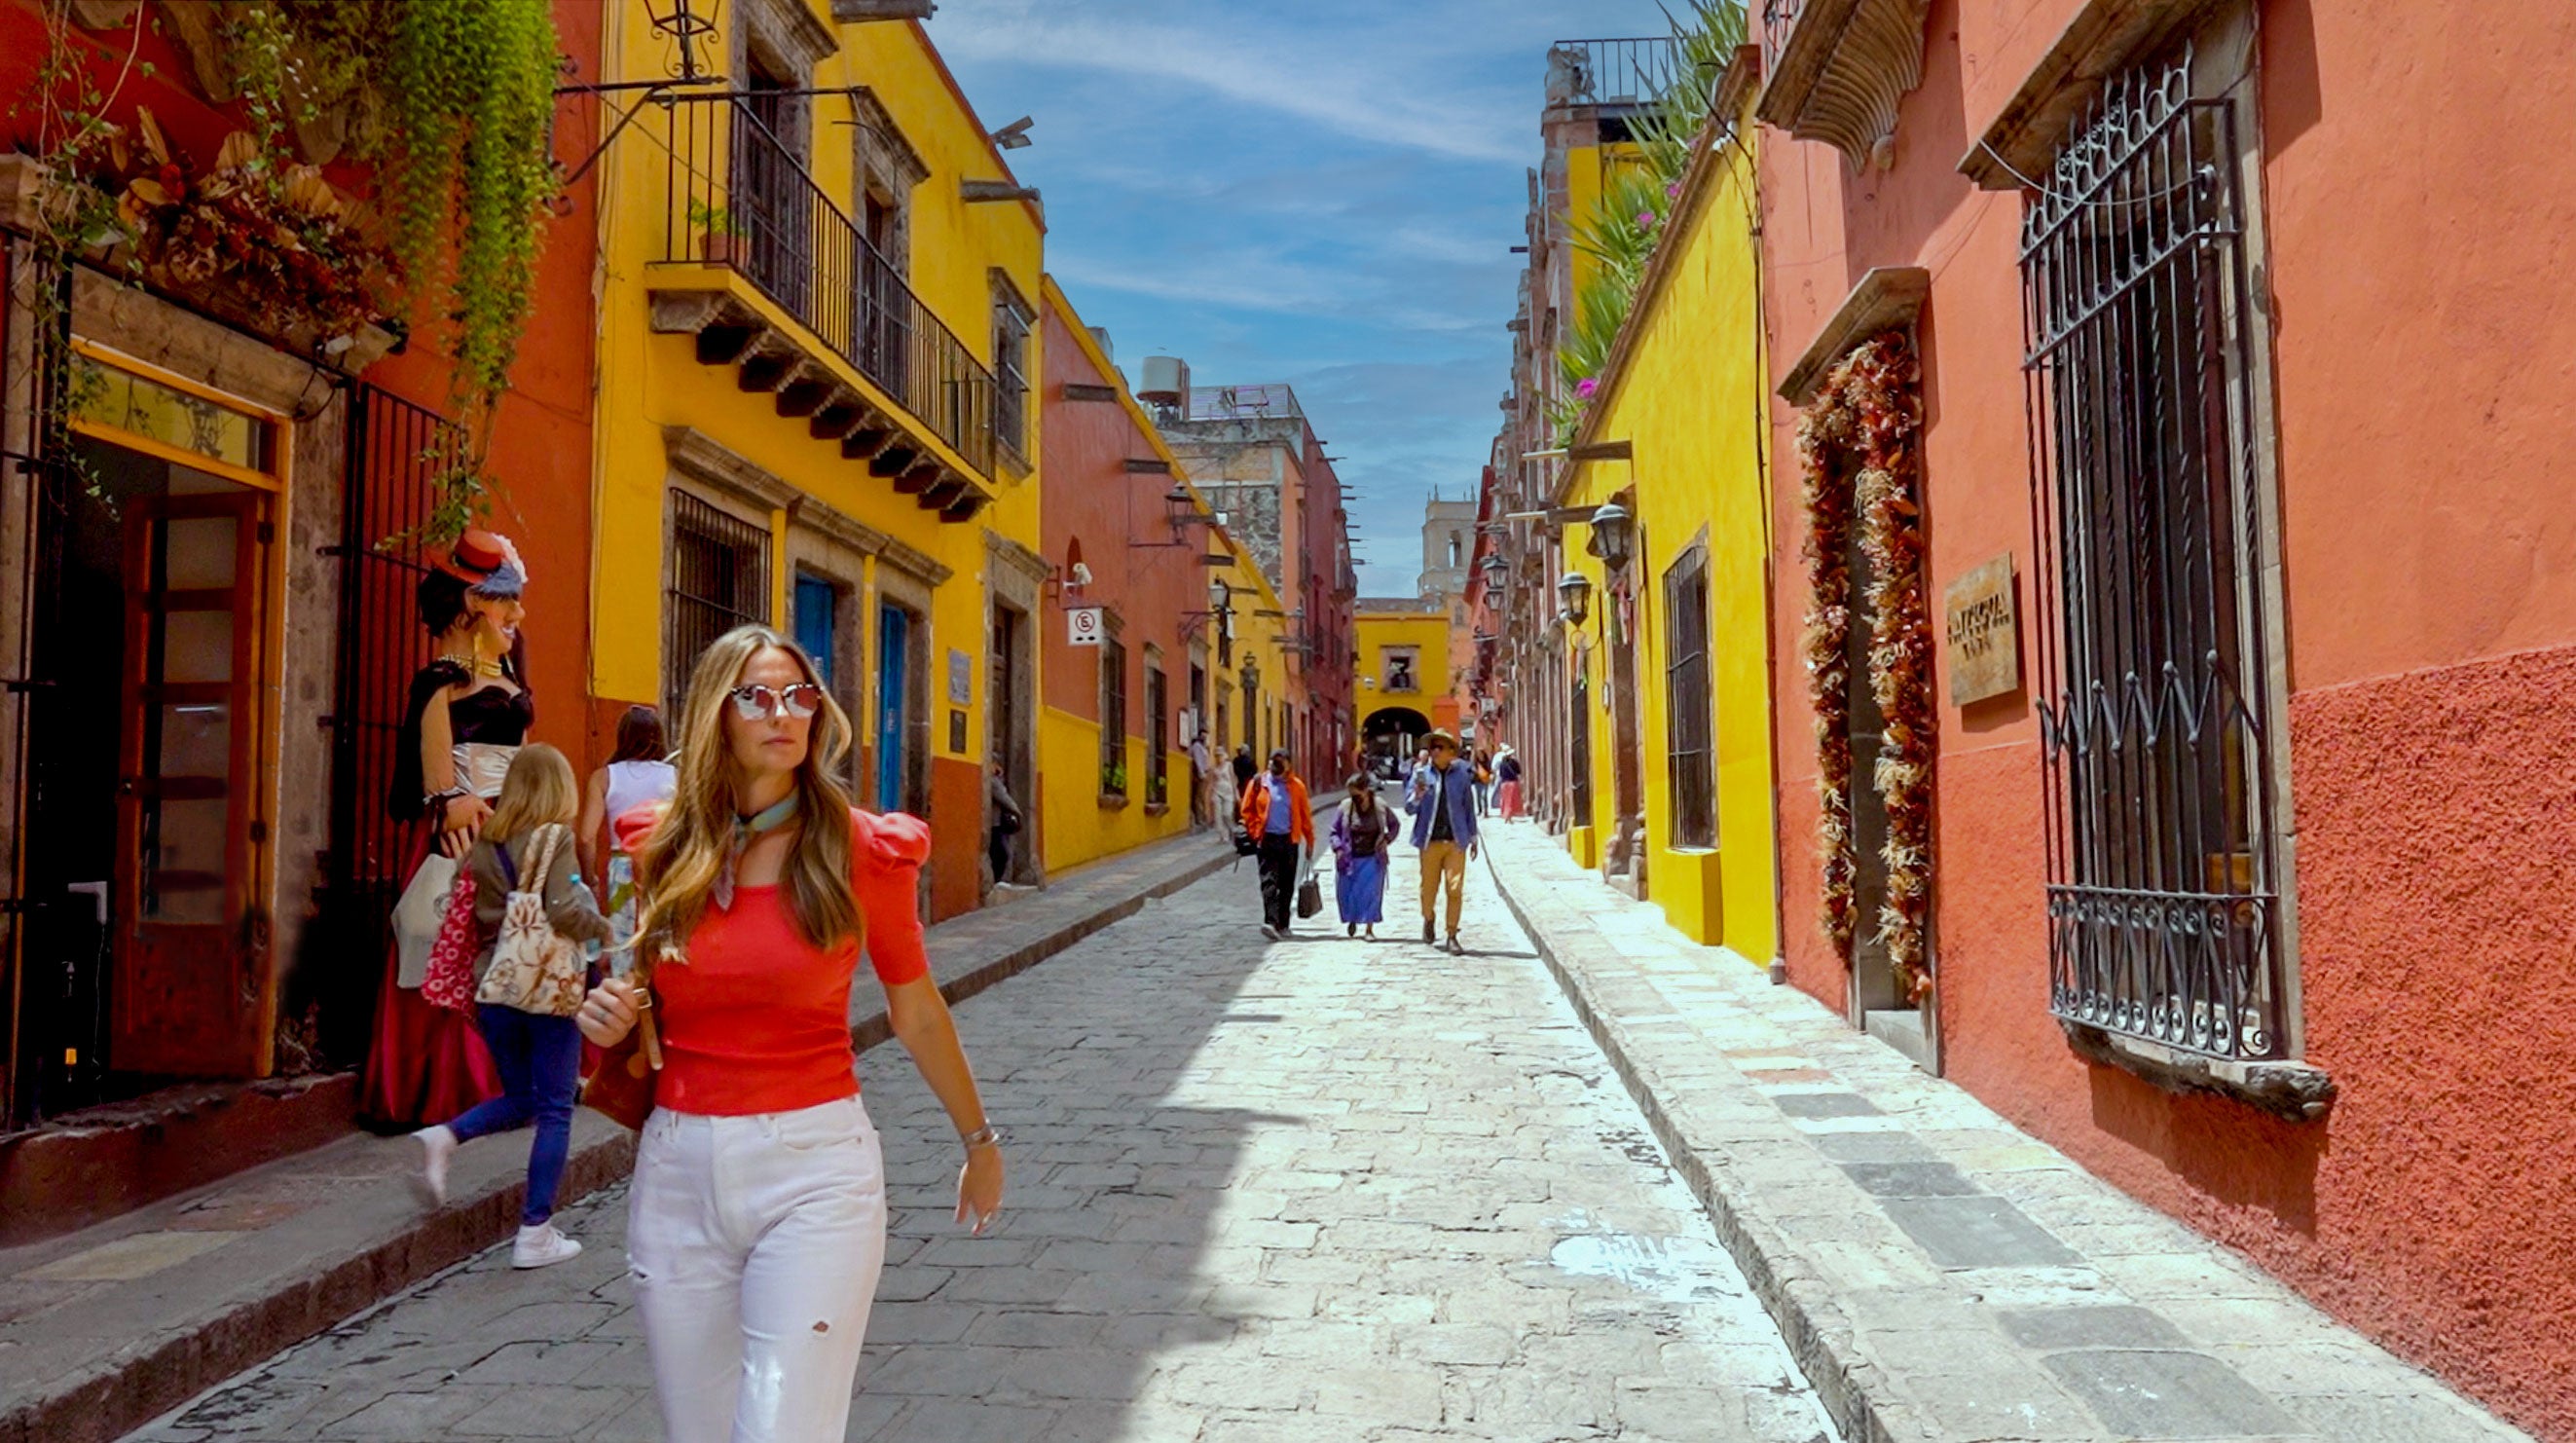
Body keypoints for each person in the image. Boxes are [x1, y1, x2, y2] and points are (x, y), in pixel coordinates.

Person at [574, 624, 1003, 1443]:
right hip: (676, 1173)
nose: (786, 713)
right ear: (716, 716)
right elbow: (635, 997)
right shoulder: (659, 847)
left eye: (800, 695)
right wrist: (606, 1020)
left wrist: (979, 1141)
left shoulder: (862, 852)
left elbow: (915, 1009)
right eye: (759, 696)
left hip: (815, 1171)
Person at [413, 743, 612, 1267]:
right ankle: (535, 1231)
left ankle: (445, 1135)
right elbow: (565, 910)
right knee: (554, 1108)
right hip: (549, 988)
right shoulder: (555, 839)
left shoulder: (485, 846)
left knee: (522, 1097)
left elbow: (470, 914)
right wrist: (605, 930)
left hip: (497, 988)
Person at [363, 530, 533, 1129]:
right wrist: (458, 803)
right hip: (460, 839)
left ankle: (512, 1079)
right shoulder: (439, 681)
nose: (515, 614)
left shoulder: (508, 674)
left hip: (512, 833)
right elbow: (437, 778)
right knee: (452, 953)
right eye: (503, 602)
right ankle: (450, 1088)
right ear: (471, 607)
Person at [580, 706, 676, 975]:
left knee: (622, 945)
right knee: (662, 939)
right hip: (661, 866)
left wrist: (590, 880)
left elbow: (587, 837)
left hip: (621, 868)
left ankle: (626, 1005)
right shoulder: (674, 777)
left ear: (622, 737)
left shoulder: (604, 777)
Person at [1405, 729, 1482, 953]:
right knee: (1428, 889)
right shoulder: (1421, 774)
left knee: (1455, 889)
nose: (1435, 752)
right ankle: (1428, 918)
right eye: (1432, 748)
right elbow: (1409, 809)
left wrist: (1473, 837)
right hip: (1429, 841)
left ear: (1451, 752)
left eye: (1440, 748)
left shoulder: (1461, 776)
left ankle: (1452, 934)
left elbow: (1468, 807)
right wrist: (1417, 795)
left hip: (1456, 841)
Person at [1237, 748, 1312, 940]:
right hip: (1267, 839)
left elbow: (1305, 816)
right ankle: (1270, 921)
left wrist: (1310, 841)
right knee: (1268, 882)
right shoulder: (1258, 783)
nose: (1275, 765)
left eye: (1280, 761)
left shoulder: (1297, 787)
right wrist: (1255, 831)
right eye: (1272, 760)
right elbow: (1247, 810)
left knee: (1287, 884)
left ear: (1288, 764)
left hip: (1289, 840)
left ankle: (1283, 924)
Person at [1329, 773, 1392, 940]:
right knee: (1349, 893)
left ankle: (1369, 928)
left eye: (1356, 794)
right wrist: (1338, 848)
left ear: (1365, 790)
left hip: (1372, 857)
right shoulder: (1345, 807)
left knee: (1371, 893)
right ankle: (1353, 919)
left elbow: (1394, 825)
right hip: (1349, 858)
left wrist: (1386, 839)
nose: (1353, 798)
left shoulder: (1379, 806)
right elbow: (1334, 831)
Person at [985, 762, 1023, 887]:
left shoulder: (993, 779)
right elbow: (1002, 796)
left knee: (998, 851)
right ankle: (996, 880)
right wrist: (1017, 812)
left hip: (996, 822)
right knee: (1001, 853)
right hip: (994, 823)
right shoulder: (992, 780)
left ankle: (997, 879)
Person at [1188, 730, 1214, 829]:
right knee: (1199, 797)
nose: (1205, 738)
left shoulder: (1203, 747)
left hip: (1205, 773)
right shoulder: (1197, 746)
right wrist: (1201, 774)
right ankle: (1200, 819)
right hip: (1200, 775)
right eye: (1203, 736)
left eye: (1205, 736)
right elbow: (1198, 761)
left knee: (1202, 797)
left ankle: (1202, 818)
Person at [1493, 745, 1525, 821]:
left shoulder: (1502, 763)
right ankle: (1509, 815)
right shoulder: (1514, 762)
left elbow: (1500, 774)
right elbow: (1518, 772)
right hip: (1513, 783)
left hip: (1504, 784)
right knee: (1512, 800)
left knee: (1505, 799)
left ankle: (1506, 814)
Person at [1472, 748, 1495, 816]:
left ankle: (1486, 811)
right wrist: (1475, 771)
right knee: (1478, 796)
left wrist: (1491, 775)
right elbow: (1471, 769)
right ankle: (1480, 810)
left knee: (1484, 795)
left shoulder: (1487, 761)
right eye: (1479, 754)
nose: (1480, 755)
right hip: (1477, 781)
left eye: (1481, 753)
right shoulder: (1475, 762)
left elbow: (1490, 769)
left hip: (1485, 780)